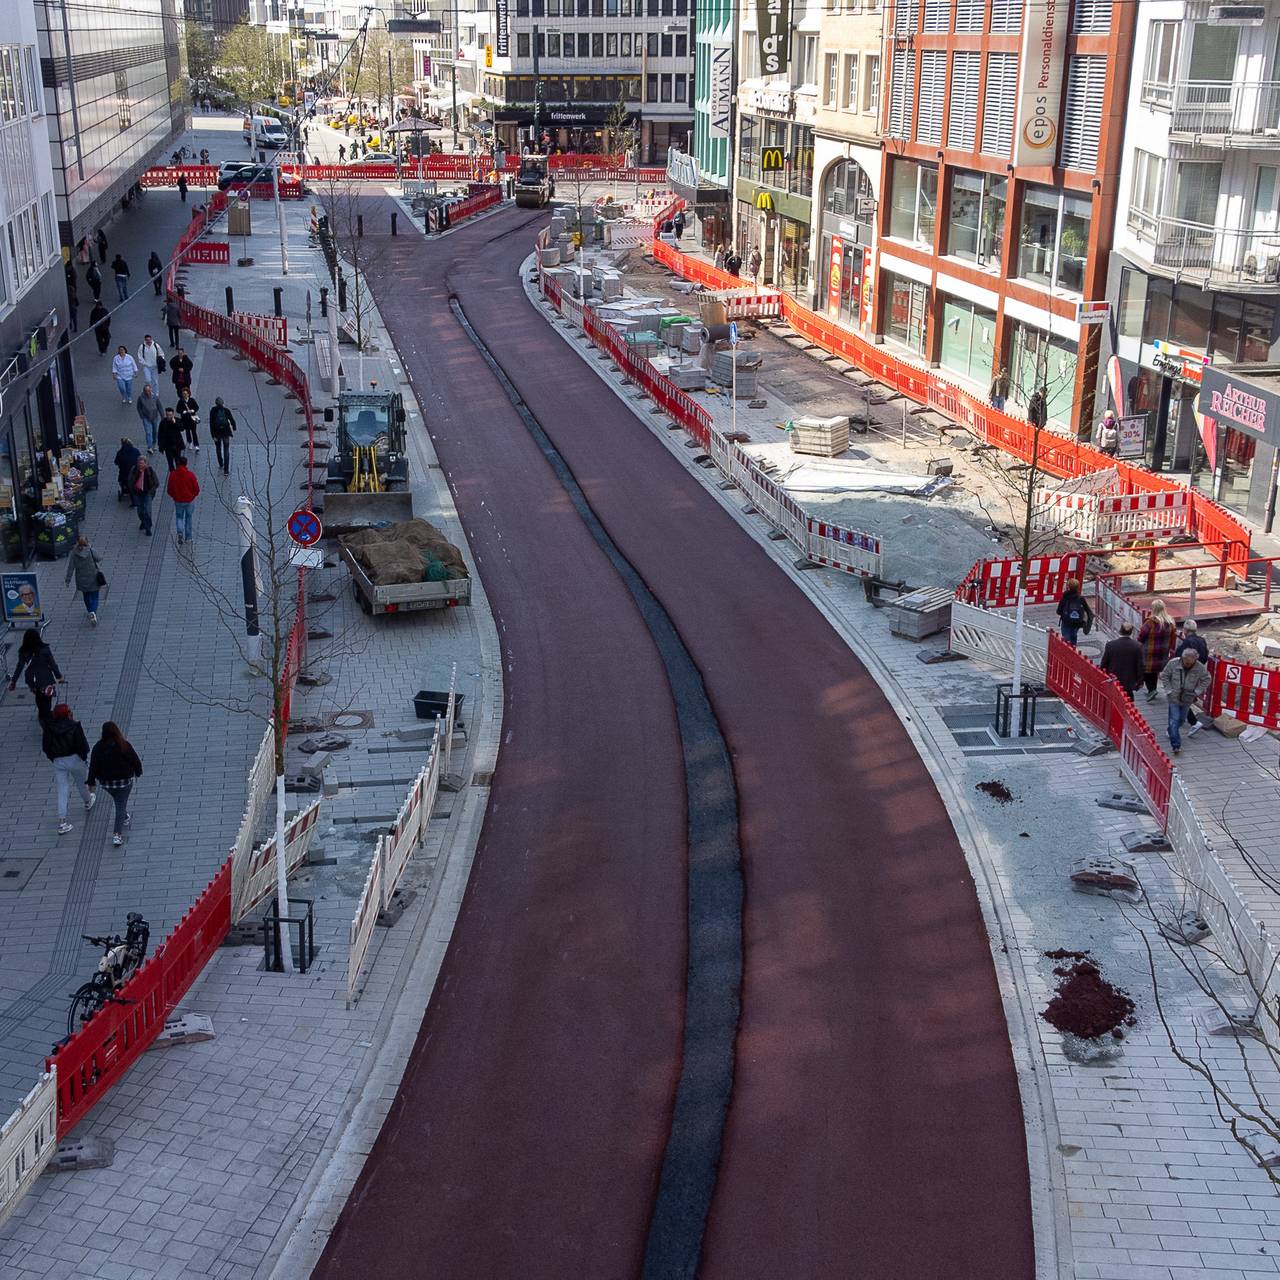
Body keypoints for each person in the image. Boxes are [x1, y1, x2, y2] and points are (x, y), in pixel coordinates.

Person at [87, 722, 144, 847]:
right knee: (120, 805)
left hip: (106, 784)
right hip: (124, 782)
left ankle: (124, 815)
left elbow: (93, 766)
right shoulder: (124, 745)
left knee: (119, 801)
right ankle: (117, 835)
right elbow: (135, 760)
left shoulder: (98, 747)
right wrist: (138, 772)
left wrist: (91, 782)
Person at [43, 704, 94, 835]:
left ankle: (62, 822)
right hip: (75, 759)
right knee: (82, 782)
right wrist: (83, 758)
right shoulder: (75, 726)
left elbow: (46, 746)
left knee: (62, 789)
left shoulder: (49, 727)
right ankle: (88, 801)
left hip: (59, 761)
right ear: (67, 713)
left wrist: (53, 758)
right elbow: (83, 745)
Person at [1161, 648, 1211, 755]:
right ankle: (1176, 745)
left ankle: (1171, 731)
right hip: (1173, 697)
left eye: (1190, 662)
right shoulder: (1173, 663)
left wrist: (1197, 691)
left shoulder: (1199, 667)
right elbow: (1164, 675)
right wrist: (1168, 690)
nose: (1188, 664)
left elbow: (1207, 679)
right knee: (1174, 719)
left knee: (1182, 719)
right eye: (1186, 662)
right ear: (1183, 658)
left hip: (1187, 698)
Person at [10, 632, 64, 722]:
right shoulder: (45, 649)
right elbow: (52, 664)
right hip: (46, 678)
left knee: (38, 696)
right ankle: (46, 714)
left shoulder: (23, 651)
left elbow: (19, 667)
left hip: (32, 679)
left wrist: (13, 681)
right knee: (47, 697)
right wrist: (59, 676)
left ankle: (42, 713)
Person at [1138, 599, 1178, 700]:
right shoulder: (1170, 622)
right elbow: (1173, 638)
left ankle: (1151, 690)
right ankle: (1153, 689)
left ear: (1153, 609)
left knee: (1146, 671)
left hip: (1149, 652)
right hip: (1162, 652)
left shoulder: (1150, 623)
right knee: (1155, 671)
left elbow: (1141, 637)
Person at [65, 534, 105, 625]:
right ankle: (93, 612)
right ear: (87, 542)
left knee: (86, 596)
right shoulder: (90, 550)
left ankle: (90, 610)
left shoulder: (74, 553)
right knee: (95, 596)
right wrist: (91, 547)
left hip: (81, 579)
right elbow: (99, 558)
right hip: (93, 577)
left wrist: (68, 580)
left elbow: (70, 568)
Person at [1100, 622, 1144, 700]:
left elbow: (1104, 663)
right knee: (1128, 700)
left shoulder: (1110, 645)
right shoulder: (1137, 646)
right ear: (1131, 632)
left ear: (1120, 631)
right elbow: (1140, 666)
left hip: (1113, 678)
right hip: (1129, 680)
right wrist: (1140, 681)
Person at [166, 455, 199, 545]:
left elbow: (169, 489)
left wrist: (174, 496)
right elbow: (196, 488)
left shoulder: (173, 475)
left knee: (179, 517)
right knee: (189, 518)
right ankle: (188, 537)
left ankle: (180, 532)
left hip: (178, 500)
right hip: (189, 500)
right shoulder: (190, 475)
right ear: (186, 464)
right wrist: (194, 495)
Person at [1055, 577, 1092, 646]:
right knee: (1074, 635)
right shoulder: (1081, 599)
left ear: (1068, 587)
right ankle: (1074, 647)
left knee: (1066, 637)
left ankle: (1067, 649)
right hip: (1077, 622)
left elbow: (1058, 611)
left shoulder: (1065, 598)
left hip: (1066, 621)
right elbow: (1087, 610)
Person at [129, 454, 158, 535]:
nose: (140, 465)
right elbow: (130, 481)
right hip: (138, 493)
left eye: (142, 463)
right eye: (139, 463)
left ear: (146, 463)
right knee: (140, 511)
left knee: (147, 511)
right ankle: (143, 521)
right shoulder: (134, 470)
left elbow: (156, 483)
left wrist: (151, 491)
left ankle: (148, 527)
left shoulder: (150, 470)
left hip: (147, 493)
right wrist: (133, 490)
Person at [209, 397, 236, 474]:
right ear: (223, 403)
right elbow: (231, 419)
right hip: (225, 432)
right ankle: (226, 470)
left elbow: (211, 423)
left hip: (216, 432)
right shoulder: (226, 410)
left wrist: (213, 435)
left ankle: (221, 463)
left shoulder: (213, 411)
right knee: (226, 450)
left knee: (218, 448)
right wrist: (234, 427)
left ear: (216, 403)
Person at [113, 436, 140, 502]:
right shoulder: (136, 451)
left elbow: (116, 462)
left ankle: (125, 491)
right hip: (135, 473)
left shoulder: (120, 453)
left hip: (124, 474)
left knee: (122, 479)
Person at [157, 408, 184, 472]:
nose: (168, 416)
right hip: (168, 445)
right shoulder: (163, 422)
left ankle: (178, 473)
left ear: (173, 414)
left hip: (177, 445)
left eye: (170, 415)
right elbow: (160, 434)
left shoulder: (177, 420)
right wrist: (160, 446)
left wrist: (175, 423)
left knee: (178, 461)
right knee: (170, 462)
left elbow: (182, 428)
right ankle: (172, 474)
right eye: (167, 415)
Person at [176, 387, 201, 452]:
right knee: (187, 431)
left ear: (188, 394)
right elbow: (178, 409)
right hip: (185, 419)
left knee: (194, 432)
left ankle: (196, 445)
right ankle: (189, 442)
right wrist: (183, 411)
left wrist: (193, 410)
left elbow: (197, 407)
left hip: (192, 419)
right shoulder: (181, 401)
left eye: (186, 394)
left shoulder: (192, 400)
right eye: (183, 394)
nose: (185, 395)